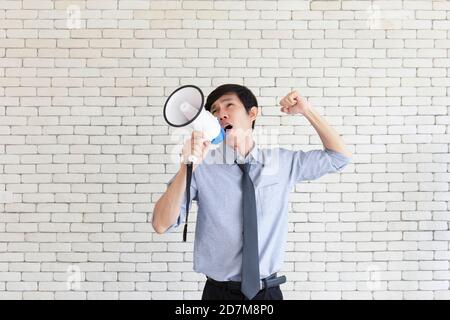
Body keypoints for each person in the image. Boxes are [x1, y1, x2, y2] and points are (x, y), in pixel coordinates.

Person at [152, 84, 352, 300]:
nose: (221, 114)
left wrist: (306, 110)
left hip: (268, 294)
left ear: (253, 113)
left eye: (229, 105)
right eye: (215, 111)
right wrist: (186, 166)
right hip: (219, 295)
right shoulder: (201, 169)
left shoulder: (283, 163)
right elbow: (161, 224)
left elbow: (339, 157)